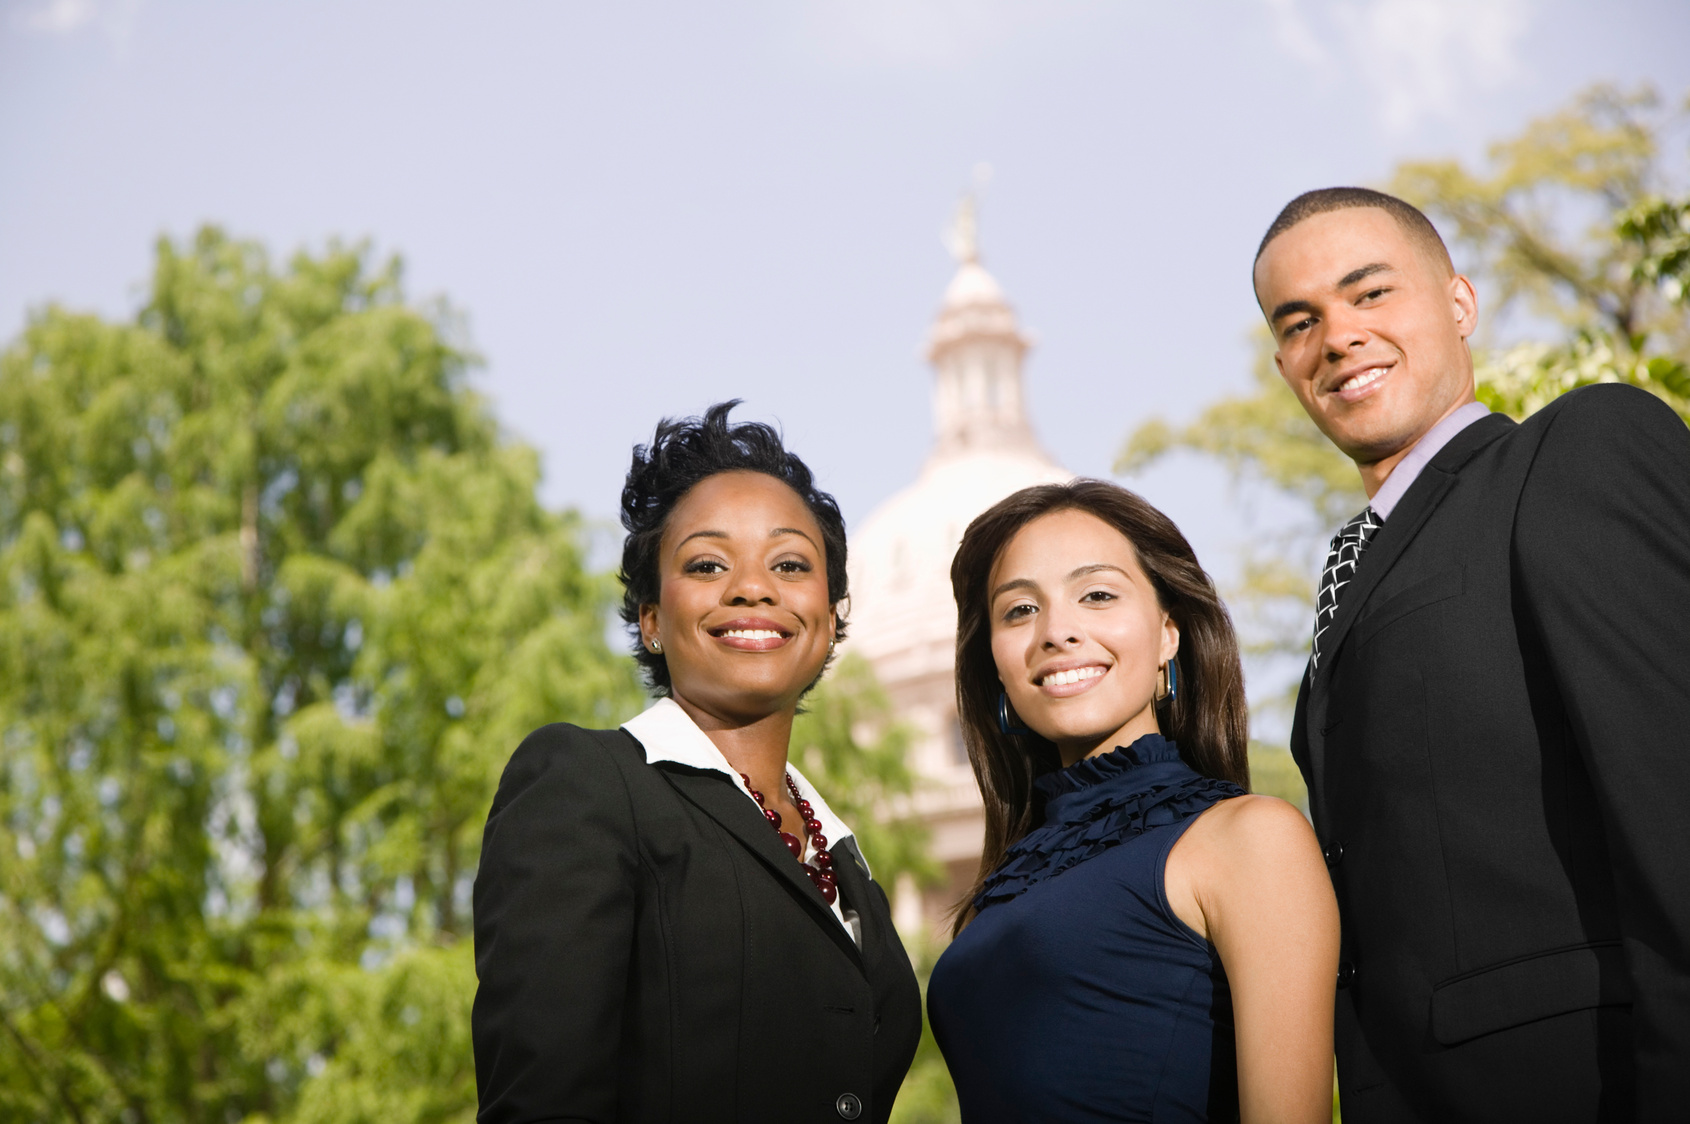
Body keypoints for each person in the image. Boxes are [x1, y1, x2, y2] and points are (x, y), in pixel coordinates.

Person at [1253, 187, 1690, 1120]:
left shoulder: (1575, 452)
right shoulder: (1347, 583)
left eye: (1370, 293)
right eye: (1299, 322)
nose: (1338, 337)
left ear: (1460, 303)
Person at [471, 402, 922, 1124]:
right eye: (708, 564)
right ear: (651, 619)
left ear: (833, 614)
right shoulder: (587, 785)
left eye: (789, 564)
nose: (753, 587)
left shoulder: (849, 866)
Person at [927, 480, 1339, 1123]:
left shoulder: (1250, 838)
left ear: (1168, 633)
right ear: (996, 666)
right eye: (1019, 610)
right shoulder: (995, 892)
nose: (1056, 632)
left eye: (1097, 595)